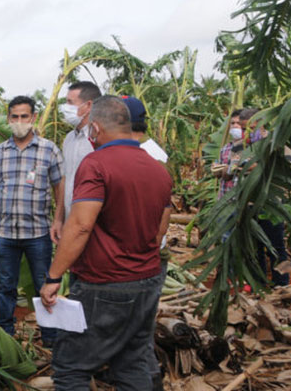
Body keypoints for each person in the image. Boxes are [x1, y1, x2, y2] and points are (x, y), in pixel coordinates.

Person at [40, 96, 173, 390]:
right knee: (132, 363)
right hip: (147, 282)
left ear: (96, 128)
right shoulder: (159, 170)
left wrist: (53, 276)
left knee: (71, 367)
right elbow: (159, 232)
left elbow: (80, 225)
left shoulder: (97, 164)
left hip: (104, 284)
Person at [0, 95, 64, 346]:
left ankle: (51, 338)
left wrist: (58, 220)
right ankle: (6, 335)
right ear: (8, 119)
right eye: (15, 117)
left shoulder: (48, 149)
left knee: (43, 285)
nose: (19, 121)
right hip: (6, 233)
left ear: (33, 118)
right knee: (6, 286)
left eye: (24, 116)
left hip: (38, 233)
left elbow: (59, 186)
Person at [122, 95, 169, 391]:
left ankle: (149, 379)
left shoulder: (147, 156)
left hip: (139, 255)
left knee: (137, 328)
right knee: (137, 326)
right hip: (148, 252)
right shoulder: (153, 152)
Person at [212, 108, 289, 286]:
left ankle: (283, 284)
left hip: (271, 205)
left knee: (277, 248)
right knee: (256, 248)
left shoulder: (275, 142)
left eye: (251, 127)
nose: (247, 132)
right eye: (245, 128)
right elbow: (231, 170)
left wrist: (248, 166)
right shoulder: (239, 145)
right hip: (248, 204)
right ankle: (259, 283)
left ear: (261, 123)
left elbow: (281, 168)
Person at [60, 81, 102, 223]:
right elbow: (65, 179)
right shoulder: (69, 139)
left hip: (93, 222)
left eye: (70, 103)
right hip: (70, 220)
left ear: (88, 106)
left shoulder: (99, 139)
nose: (66, 108)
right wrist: (59, 220)